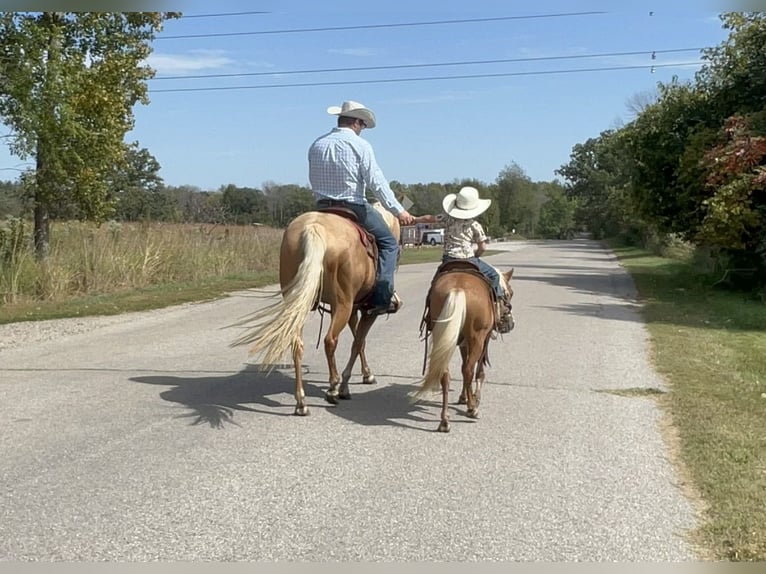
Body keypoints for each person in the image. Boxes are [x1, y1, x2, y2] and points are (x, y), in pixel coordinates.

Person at [308, 100, 415, 315]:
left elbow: (313, 179)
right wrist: (398, 211)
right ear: (356, 123)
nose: (362, 130)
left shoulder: (317, 144)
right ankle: (382, 297)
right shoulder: (360, 146)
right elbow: (377, 183)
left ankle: (310, 291)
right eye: (363, 126)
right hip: (353, 206)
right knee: (389, 244)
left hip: (321, 208)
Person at [413, 186, 514, 333]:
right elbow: (483, 246)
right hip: (469, 259)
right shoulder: (475, 225)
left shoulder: (447, 219)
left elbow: (429, 218)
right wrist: (477, 255)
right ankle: (498, 306)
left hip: (449, 260)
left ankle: (430, 315)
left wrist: (415, 219)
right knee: (493, 275)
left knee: (435, 285)